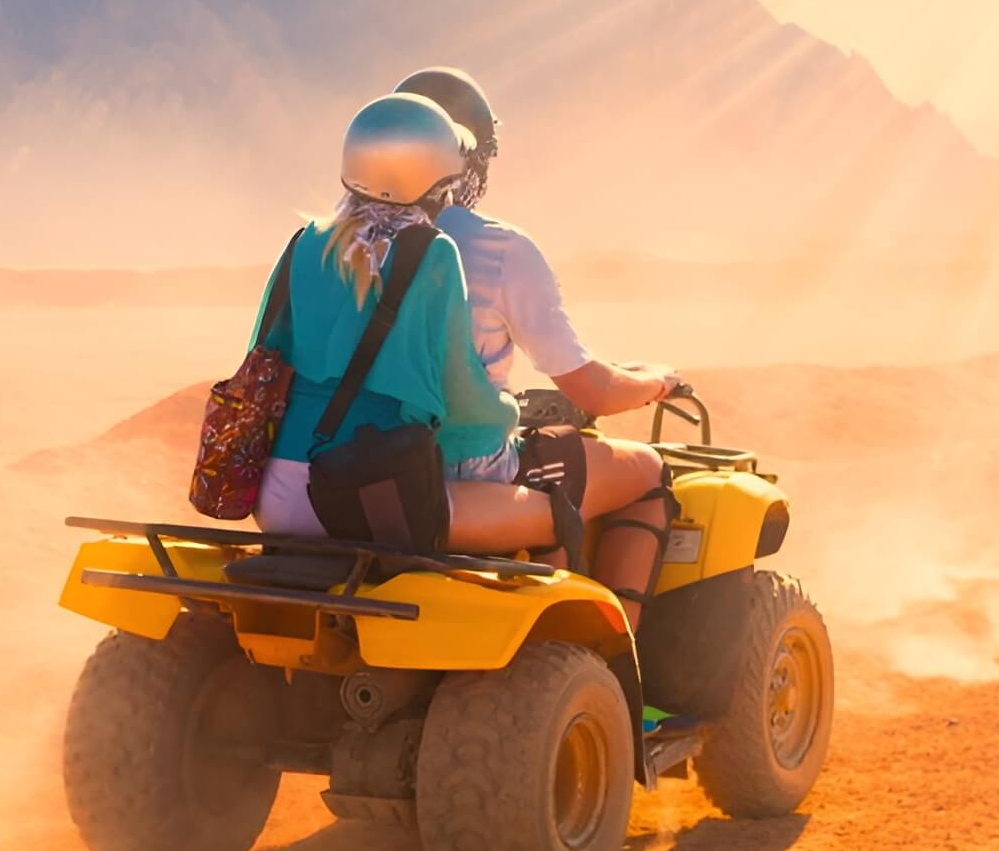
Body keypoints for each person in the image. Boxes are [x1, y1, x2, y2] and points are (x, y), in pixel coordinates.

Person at [391, 66, 682, 627]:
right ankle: (616, 664)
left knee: (553, 465)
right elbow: (590, 386)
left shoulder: (339, 243)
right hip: (461, 475)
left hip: (346, 467)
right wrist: (654, 382)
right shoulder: (497, 248)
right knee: (644, 468)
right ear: (467, 156)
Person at [252, 93, 560, 555]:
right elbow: (458, 392)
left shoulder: (304, 243)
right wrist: (506, 416)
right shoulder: (432, 253)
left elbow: (264, 354)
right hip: (366, 497)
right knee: (557, 515)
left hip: (275, 495)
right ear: (433, 181)